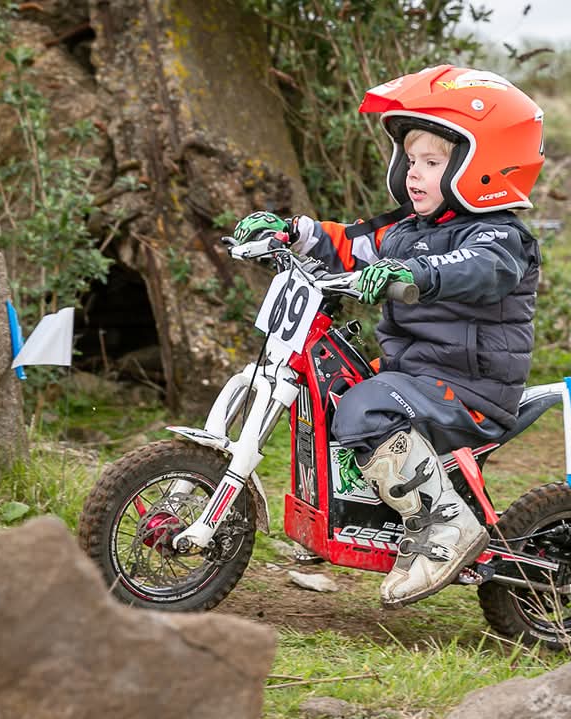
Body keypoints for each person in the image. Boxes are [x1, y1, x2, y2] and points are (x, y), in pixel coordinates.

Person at [230, 66, 545, 608]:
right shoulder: (408, 229)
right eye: (411, 161)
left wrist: (415, 275)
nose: (415, 174)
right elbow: (350, 245)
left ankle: (445, 527)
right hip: (418, 377)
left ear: (485, 165)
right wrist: (291, 232)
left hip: (468, 390)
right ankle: (364, 514)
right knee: (334, 393)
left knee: (365, 408)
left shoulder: (500, 237)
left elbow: (475, 267)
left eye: (432, 162)